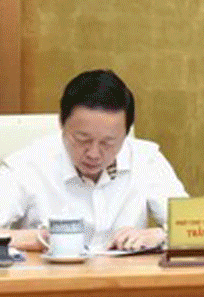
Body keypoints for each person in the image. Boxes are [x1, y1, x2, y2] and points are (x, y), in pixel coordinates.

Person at [0, 69, 186, 253]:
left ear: (126, 133)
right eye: (82, 139)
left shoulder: (146, 160)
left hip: (124, 273)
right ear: (61, 123)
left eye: (108, 142)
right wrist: (36, 239)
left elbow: (193, 229)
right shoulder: (27, 165)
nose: (94, 154)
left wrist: (161, 236)